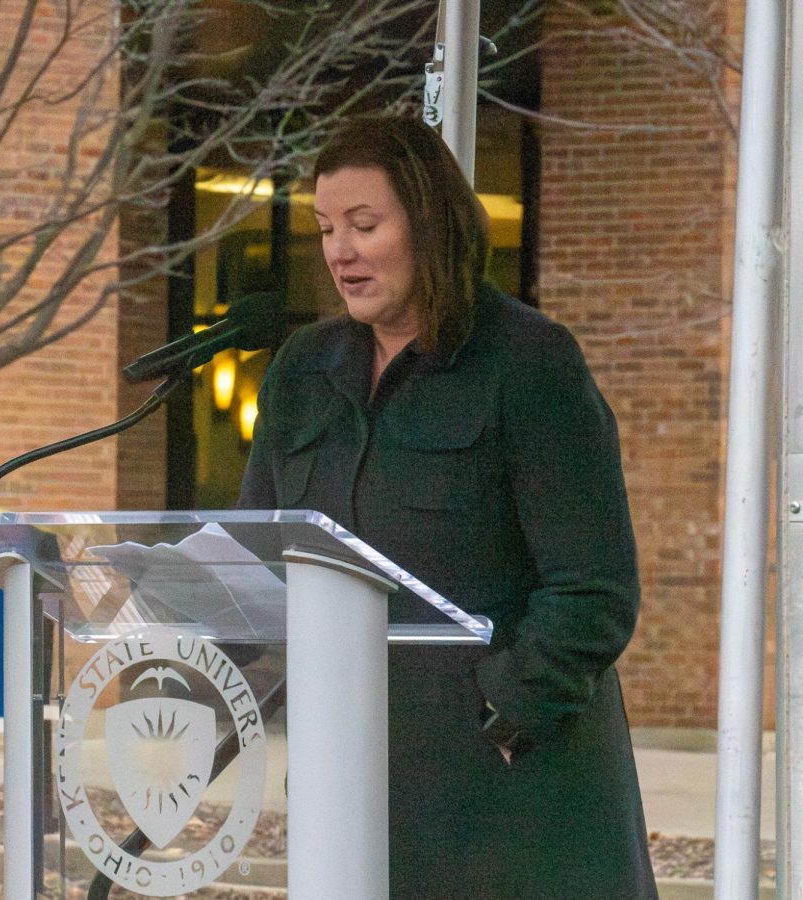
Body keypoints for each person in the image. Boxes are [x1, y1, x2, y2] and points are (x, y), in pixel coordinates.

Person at [238, 116, 658, 899]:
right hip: (350, 794)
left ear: (429, 222)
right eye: (327, 229)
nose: (340, 251)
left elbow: (594, 590)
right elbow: (260, 559)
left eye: (365, 225)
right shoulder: (303, 370)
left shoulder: (529, 362)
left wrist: (500, 719)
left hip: (513, 810)